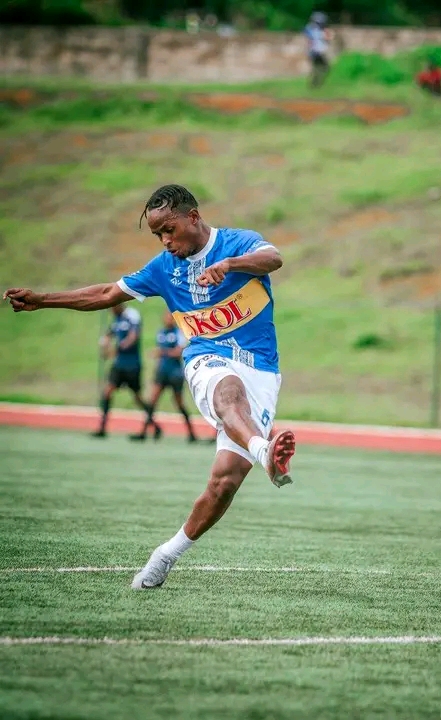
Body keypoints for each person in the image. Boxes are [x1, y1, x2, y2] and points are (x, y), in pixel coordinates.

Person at [4, 184, 296, 590]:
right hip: (207, 359)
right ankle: (264, 451)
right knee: (228, 391)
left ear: (193, 217)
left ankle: (165, 555)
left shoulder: (237, 243)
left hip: (261, 369)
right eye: (158, 234)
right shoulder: (163, 268)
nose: (165, 241)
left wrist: (230, 265)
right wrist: (43, 299)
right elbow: (107, 293)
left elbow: (274, 258)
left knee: (224, 483)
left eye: (169, 230)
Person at [130, 310, 197, 443]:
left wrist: (162, 352)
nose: (168, 319)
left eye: (170, 317)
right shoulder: (160, 333)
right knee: (152, 402)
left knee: (179, 403)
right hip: (162, 372)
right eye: (166, 317)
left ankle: (192, 434)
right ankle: (144, 432)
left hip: (175, 373)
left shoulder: (179, 333)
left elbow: (179, 352)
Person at [94, 303, 160, 439]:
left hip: (132, 365)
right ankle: (102, 428)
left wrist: (117, 348)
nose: (111, 311)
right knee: (107, 392)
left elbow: (133, 337)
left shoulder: (132, 315)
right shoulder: (116, 319)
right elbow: (109, 333)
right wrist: (105, 342)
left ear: (119, 304)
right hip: (118, 365)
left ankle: (155, 425)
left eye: (112, 307)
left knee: (138, 398)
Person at [304, 11, 331, 88]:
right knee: (322, 67)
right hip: (317, 51)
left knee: (318, 67)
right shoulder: (315, 30)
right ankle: (315, 83)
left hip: (315, 51)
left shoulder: (310, 28)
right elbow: (322, 39)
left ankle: (315, 83)